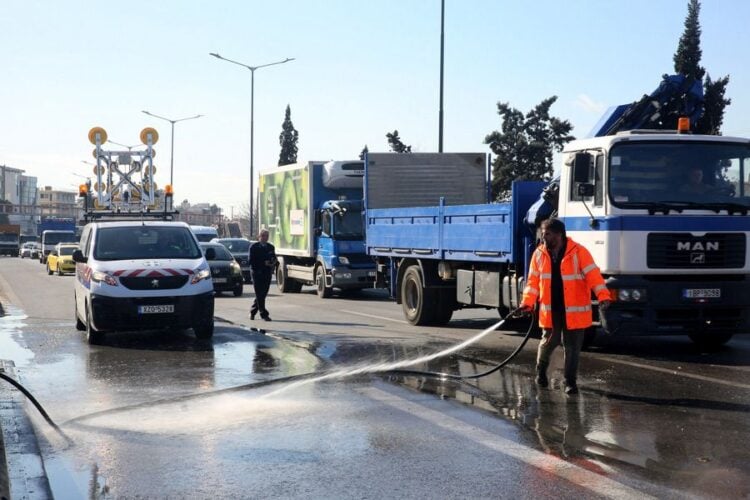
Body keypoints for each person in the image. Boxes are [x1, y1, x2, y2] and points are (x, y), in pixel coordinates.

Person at [519, 218, 611, 395]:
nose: (544, 238)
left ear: (559, 235)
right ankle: (541, 373)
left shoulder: (579, 252)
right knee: (548, 342)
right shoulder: (539, 254)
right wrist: (527, 303)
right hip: (551, 309)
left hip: (574, 310)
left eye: (548, 234)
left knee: (572, 348)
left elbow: (594, 276)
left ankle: (570, 382)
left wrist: (603, 295)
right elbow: (532, 283)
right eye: (542, 234)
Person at [249, 228, 277, 321]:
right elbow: (251, 261)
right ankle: (264, 314)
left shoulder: (270, 247)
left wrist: (272, 263)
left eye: (267, 236)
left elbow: (273, 258)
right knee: (259, 293)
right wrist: (262, 263)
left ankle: (253, 311)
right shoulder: (254, 247)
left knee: (263, 294)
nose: (265, 238)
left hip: (267, 273)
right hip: (257, 273)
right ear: (259, 237)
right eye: (263, 236)